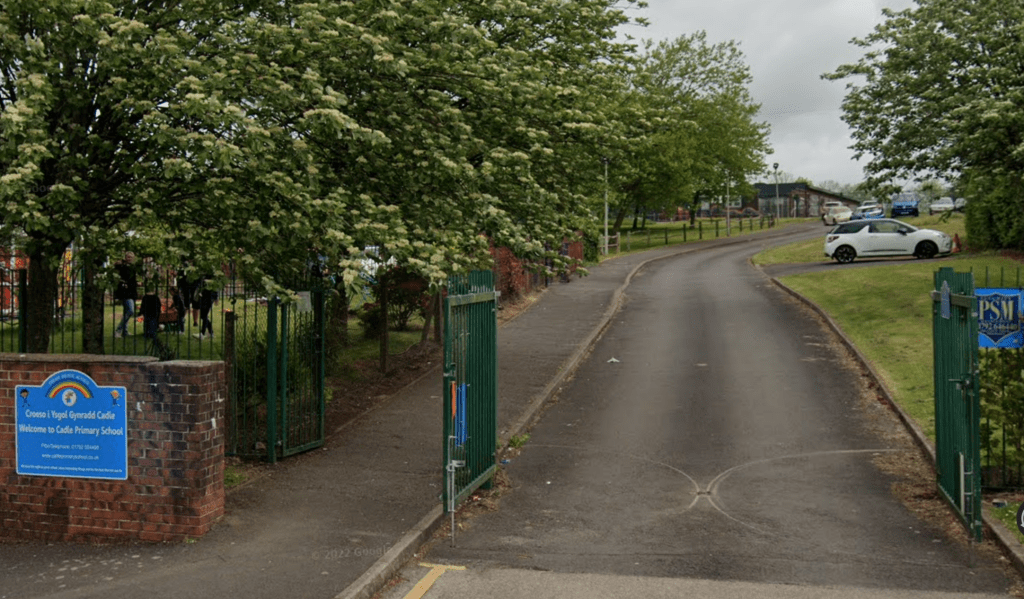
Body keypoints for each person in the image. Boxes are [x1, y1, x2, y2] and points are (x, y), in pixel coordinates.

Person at [114, 252, 138, 338]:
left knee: (126, 311)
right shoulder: (122, 266)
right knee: (130, 311)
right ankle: (118, 330)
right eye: (128, 257)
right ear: (125, 257)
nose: (129, 259)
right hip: (125, 292)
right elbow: (116, 268)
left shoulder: (133, 267)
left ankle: (125, 331)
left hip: (132, 292)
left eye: (131, 257)